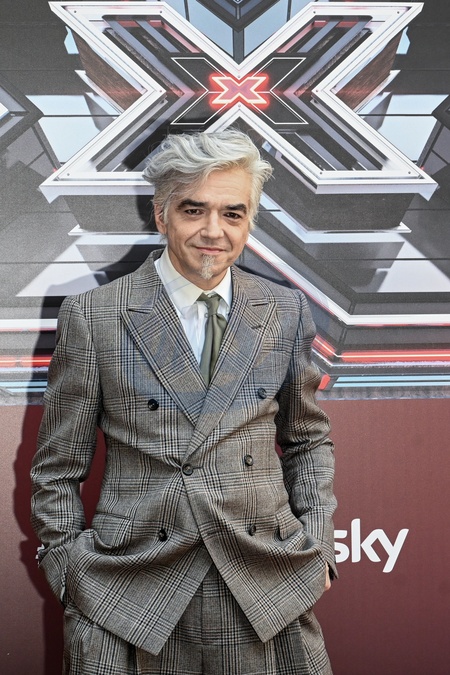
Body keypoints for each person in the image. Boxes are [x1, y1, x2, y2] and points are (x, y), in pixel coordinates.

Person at [31, 129, 337, 675]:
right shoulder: (94, 315)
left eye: (232, 213)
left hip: (264, 585)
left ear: (250, 220)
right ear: (161, 214)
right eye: (194, 210)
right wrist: (67, 570)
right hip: (128, 590)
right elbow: (57, 467)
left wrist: (318, 547)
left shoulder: (285, 311)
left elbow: (308, 440)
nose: (213, 231)